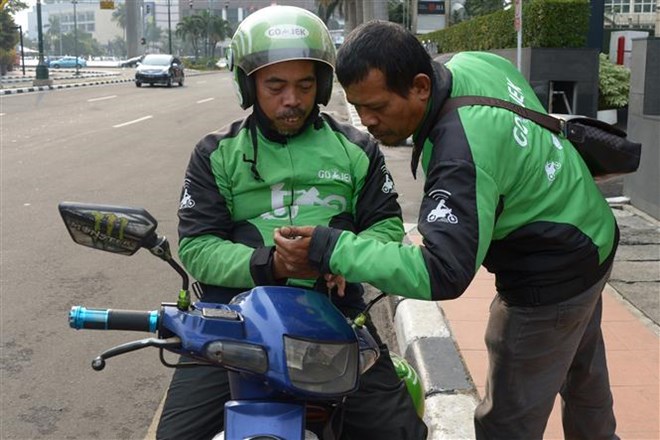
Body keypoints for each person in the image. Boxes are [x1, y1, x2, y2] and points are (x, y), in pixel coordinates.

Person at [274, 20, 620, 440]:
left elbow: (443, 271)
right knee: (583, 376)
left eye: (378, 107)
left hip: (554, 272)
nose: (366, 121)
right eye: (358, 106)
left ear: (420, 86)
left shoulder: (461, 155)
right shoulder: (473, 64)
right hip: (592, 232)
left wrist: (332, 247)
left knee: (507, 421)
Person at [156, 9, 427, 440]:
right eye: (275, 86)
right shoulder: (215, 153)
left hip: (335, 310)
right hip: (232, 314)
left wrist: (343, 257)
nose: (292, 100)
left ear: (321, 86)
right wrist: (274, 265)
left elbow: (386, 227)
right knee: (176, 435)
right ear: (248, 85)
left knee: (399, 432)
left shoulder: (357, 150)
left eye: (304, 86)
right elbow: (198, 246)